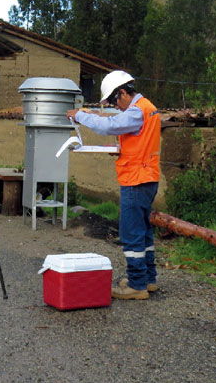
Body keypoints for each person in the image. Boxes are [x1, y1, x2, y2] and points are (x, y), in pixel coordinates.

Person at [66, 70, 161, 300]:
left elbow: (108, 126)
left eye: (113, 101)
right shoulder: (148, 108)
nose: (115, 107)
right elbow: (139, 141)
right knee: (144, 232)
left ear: (122, 93)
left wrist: (80, 115)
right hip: (147, 178)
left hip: (135, 180)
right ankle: (148, 279)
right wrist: (119, 149)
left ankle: (137, 285)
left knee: (131, 234)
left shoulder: (137, 111)